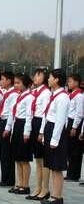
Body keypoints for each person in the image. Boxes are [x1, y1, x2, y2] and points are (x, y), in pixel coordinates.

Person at [38, 69, 70, 204]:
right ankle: (54, 196)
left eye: (50, 77)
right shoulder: (54, 95)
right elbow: (47, 116)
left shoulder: (62, 97)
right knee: (52, 166)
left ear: (57, 79)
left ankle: (57, 197)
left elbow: (61, 120)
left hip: (56, 131)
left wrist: (55, 140)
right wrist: (44, 133)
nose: (48, 80)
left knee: (57, 167)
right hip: (50, 129)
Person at [3, 73, 34, 195]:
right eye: (15, 83)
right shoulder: (18, 96)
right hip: (16, 125)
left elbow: (29, 116)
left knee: (24, 159)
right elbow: (12, 113)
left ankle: (25, 185)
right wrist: (8, 128)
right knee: (17, 158)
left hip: (23, 126)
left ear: (25, 84)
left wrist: (26, 132)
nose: (16, 85)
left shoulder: (29, 97)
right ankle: (19, 183)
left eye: (18, 83)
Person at [27, 68, 51, 200]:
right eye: (35, 75)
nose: (35, 77)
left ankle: (45, 189)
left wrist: (41, 131)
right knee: (37, 159)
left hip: (41, 124)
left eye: (38, 75)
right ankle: (38, 187)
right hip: (34, 123)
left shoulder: (46, 93)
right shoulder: (35, 92)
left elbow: (44, 114)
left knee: (43, 160)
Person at [0, 71, 17, 187]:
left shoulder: (13, 94)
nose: (1, 81)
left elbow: (11, 112)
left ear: (9, 81)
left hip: (7, 123)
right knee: (3, 152)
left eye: (3, 79)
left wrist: (7, 128)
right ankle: (5, 177)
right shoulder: (7, 93)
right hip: (2, 121)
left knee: (6, 153)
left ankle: (8, 179)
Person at [65, 73, 83, 182]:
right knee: (70, 149)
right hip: (70, 122)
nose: (68, 83)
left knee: (76, 150)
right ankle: (70, 172)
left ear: (76, 82)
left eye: (70, 81)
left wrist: (74, 127)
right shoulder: (71, 95)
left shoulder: (80, 96)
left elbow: (79, 113)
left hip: (75, 123)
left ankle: (75, 174)